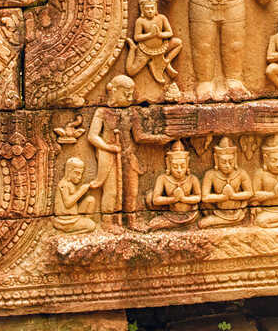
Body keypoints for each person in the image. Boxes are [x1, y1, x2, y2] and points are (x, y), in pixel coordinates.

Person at [87, 75, 136, 220]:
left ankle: (129, 220)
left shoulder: (130, 112)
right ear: (114, 90)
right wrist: (108, 147)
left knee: (130, 190)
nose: (129, 98)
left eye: (131, 94)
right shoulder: (102, 112)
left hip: (126, 153)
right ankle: (108, 221)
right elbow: (92, 136)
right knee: (111, 190)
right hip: (107, 152)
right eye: (126, 94)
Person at [125, 0, 183, 100]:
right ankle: (134, 50)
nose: (150, 11)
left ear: (155, 8)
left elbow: (169, 33)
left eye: (152, 8)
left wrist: (160, 34)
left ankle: (165, 61)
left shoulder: (161, 18)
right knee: (131, 71)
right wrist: (150, 35)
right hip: (145, 51)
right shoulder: (140, 21)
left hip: (161, 48)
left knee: (178, 43)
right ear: (142, 10)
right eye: (147, 9)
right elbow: (137, 37)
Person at [199, 137, 253, 228]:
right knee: (202, 223)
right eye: (223, 162)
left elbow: (250, 192)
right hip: (217, 212)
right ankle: (230, 223)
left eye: (230, 162)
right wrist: (223, 197)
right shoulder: (210, 174)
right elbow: (205, 197)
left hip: (237, 212)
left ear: (235, 159)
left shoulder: (241, 173)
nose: (227, 165)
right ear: (216, 159)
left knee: (205, 223)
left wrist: (233, 196)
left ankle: (230, 222)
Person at [147, 142, 202, 229]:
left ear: (187, 164)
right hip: (170, 214)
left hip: (190, 214)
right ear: (168, 164)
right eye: (175, 166)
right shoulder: (163, 179)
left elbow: (198, 197)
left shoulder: (192, 179)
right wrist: (174, 199)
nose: (179, 170)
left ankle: (182, 225)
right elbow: (155, 200)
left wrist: (183, 198)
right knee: (153, 223)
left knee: (155, 225)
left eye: (182, 166)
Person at [53, 157, 98, 233]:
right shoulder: (63, 184)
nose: (79, 177)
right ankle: (69, 232)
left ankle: (84, 221)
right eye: (77, 173)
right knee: (92, 226)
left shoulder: (70, 184)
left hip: (74, 216)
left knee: (90, 200)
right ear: (69, 171)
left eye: (81, 174)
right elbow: (68, 204)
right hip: (65, 221)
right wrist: (81, 191)